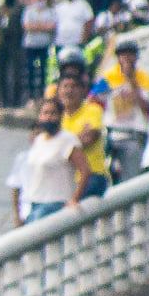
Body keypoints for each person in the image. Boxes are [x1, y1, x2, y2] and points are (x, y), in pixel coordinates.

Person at [12, 95, 87, 222]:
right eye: (45, 113)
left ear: (60, 116)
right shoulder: (39, 140)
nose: (49, 117)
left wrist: (75, 199)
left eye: (53, 113)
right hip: (35, 201)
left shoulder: (68, 140)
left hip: (56, 203)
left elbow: (85, 170)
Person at [93, 39, 149, 180]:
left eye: (130, 55)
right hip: (111, 133)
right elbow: (93, 101)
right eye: (123, 55)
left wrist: (131, 80)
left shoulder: (144, 77)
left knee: (132, 175)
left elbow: (147, 107)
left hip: (134, 135)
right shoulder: (108, 77)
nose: (127, 59)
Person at [54, 62, 107, 196]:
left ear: (83, 91)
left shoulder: (93, 109)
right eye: (65, 86)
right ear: (58, 91)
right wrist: (77, 138)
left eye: (74, 87)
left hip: (93, 175)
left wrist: (60, 144)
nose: (69, 91)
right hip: (64, 178)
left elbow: (90, 138)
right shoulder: (56, 116)